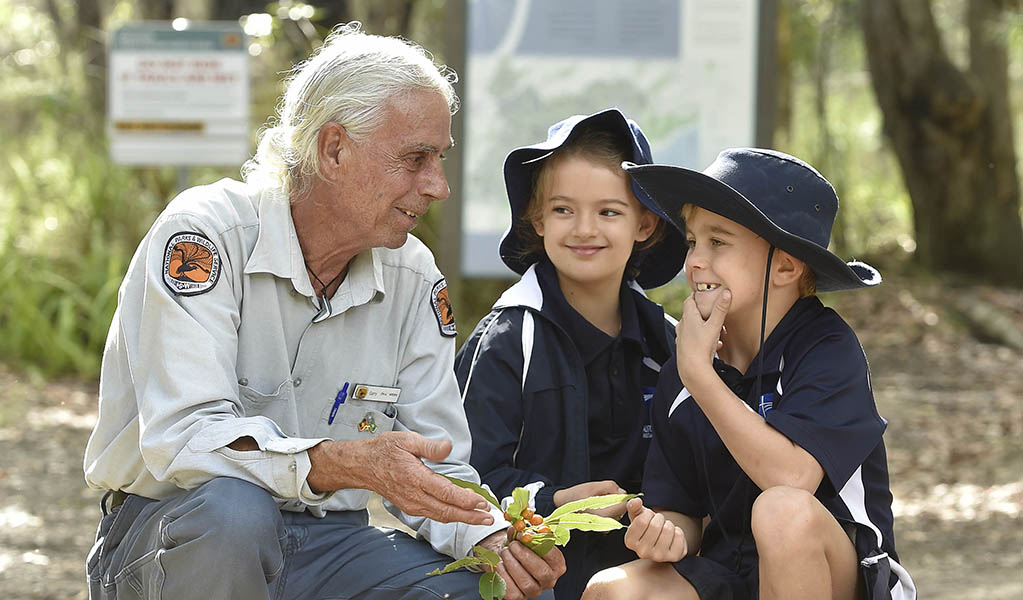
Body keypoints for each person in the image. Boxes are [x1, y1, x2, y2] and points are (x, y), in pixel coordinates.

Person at [83, 23, 565, 600]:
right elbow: (186, 438)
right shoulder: (207, 235)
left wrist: (489, 538)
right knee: (235, 513)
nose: (438, 186)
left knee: (484, 590)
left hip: (327, 543)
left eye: (440, 158)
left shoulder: (412, 275)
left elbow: (437, 464)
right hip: (175, 533)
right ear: (333, 148)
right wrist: (344, 464)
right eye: (415, 159)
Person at [583, 149, 917, 599]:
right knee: (612, 590)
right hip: (731, 573)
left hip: (843, 579)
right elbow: (680, 511)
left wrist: (701, 376)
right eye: (691, 242)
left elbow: (793, 480)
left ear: (785, 266)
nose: (695, 261)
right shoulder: (685, 367)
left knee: (782, 511)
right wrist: (664, 533)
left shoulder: (826, 348)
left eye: (717, 242)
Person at [454, 109, 687, 600]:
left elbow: (694, 474)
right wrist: (556, 501)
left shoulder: (669, 343)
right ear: (536, 219)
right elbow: (463, 477)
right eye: (563, 210)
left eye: (609, 211)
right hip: (527, 579)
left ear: (645, 224)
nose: (584, 229)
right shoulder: (507, 338)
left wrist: (672, 527)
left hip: (638, 580)